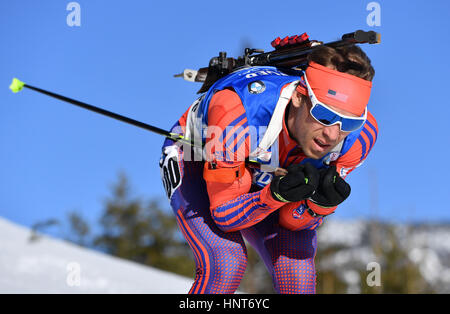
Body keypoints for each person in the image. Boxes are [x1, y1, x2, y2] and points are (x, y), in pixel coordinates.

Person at [159, 44, 378, 294]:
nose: (332, 134)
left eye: (349, 121)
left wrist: (316, 206)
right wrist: (274, 196)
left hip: (264, 171)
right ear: (299, 96)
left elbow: (292, 223)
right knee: (226, 263)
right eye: (324, 115)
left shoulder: (359, 137)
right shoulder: (237, 111)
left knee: (298, 280)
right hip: (196, 158)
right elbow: (225, 216)